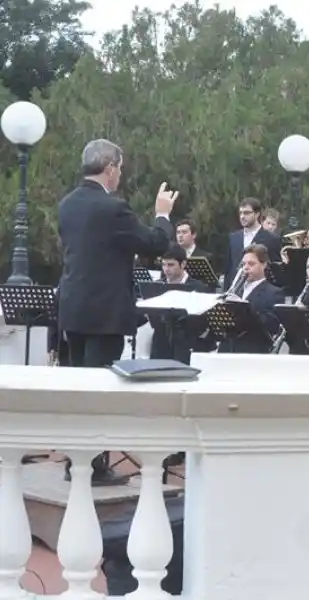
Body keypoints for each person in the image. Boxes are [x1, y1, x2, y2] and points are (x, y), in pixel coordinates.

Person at [57, 138, 177, 486]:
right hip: (104, 312)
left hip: (73, 308)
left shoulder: (67, 204)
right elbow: (155, 243)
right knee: (98, 393)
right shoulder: (112, 208)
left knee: (79, 389)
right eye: (120, 168)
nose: (120, 175)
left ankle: (75, 462)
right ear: (110, 168)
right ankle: (92, 468)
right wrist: (162, 214)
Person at [218, 245, 286, 354]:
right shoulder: (236, 289)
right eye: (243, 264)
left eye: (251, 264)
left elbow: (272, 324)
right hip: (227, 348)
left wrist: (246, 309)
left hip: (252, 349)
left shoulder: (274, 292)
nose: (246, 267)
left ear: (264, 265)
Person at [224, 198, 281, 288]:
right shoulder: (234, 237)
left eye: (246, 213)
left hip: (261, 291)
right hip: (235, 290)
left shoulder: (272, 239)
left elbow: (275, 271)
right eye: (240, 213)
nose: (242, 216)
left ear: (257, 214)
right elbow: (229, 269)